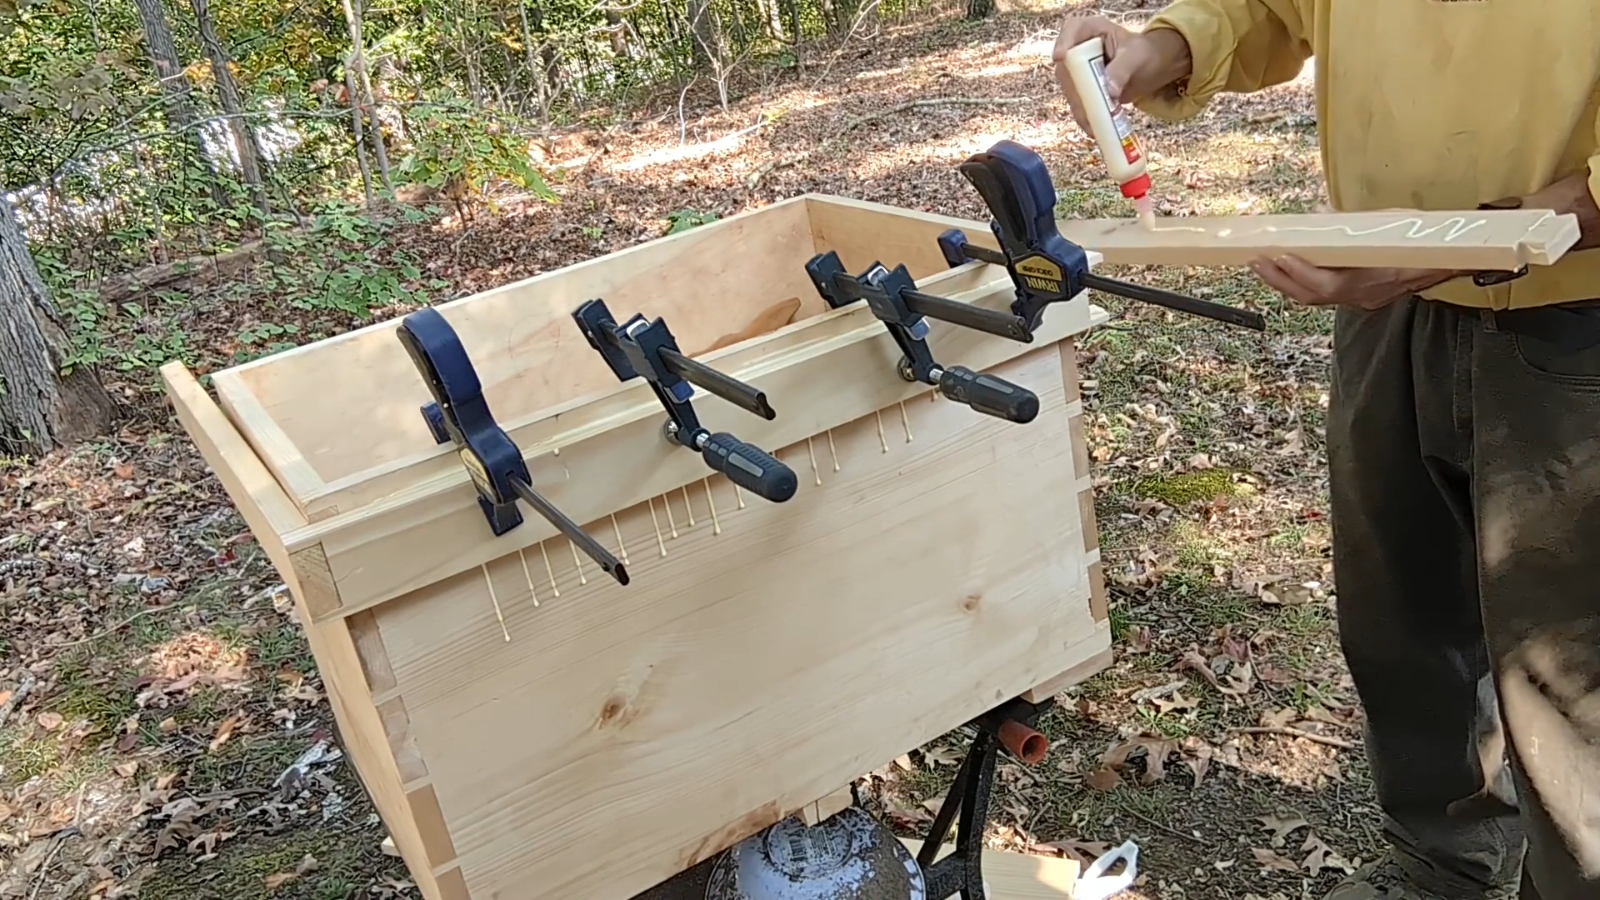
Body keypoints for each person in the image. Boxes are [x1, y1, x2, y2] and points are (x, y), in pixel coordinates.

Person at [1049, 4, 1600, 900]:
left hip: (1574, 315)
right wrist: (1161, 49)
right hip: (1385, 304)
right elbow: (1271, 10)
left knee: (1570, 665)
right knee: (1401, 620)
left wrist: (1436, 249)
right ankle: (1439, 870)